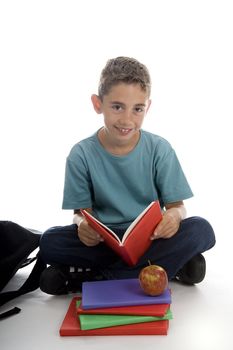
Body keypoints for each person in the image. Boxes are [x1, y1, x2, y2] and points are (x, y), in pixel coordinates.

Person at [39, 56, 216, 295]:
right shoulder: (81, 154)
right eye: (117, 106)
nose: (127, 119)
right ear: (97, 104)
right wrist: (82, 226)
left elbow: (178, 206)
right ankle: (163, 269)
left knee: (201, 229)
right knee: (49, 241)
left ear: (147, 107)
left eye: (137, 109)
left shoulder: (159, 149)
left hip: (150, 239)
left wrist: (173, 217)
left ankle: (94, 277)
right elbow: (81, 214)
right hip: (105, 242)